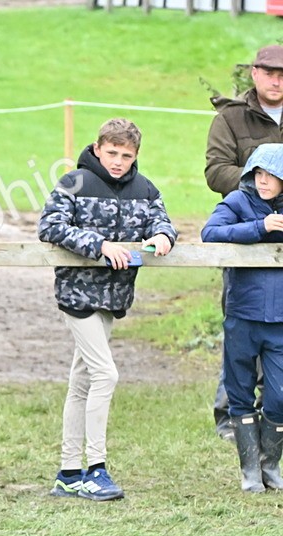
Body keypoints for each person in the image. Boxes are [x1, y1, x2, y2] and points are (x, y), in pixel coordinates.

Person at [38, 118, 176, 502]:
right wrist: (99, 245)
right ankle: (95, 469)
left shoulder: (145, 189)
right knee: (105, 374)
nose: (118, 161)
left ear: (136, 156)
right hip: (77, 296)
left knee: (82, 382)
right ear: (98, 149)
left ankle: (68, 473)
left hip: (114, 299)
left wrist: (164, 235)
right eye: (111, 152)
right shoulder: (73, 183)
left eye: (126, 155)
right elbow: (50, 226)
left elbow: (162, 222)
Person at [206, 45, 283, 440]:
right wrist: (260, 179)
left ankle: (273, 416)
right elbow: (216, 171)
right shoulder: (231, 118)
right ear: (254, 73)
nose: (277, 81)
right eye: (269, 72)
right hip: (245, 235)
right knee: (241, 328)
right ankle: (231, 416)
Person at [200, 144, 283, 493]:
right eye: (258, 174)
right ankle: (250, 471)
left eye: (272, 175)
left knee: (279, 396)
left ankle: (270, 466)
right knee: (239, 391)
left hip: (280, 321)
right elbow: (210, 233)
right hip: (242, 315)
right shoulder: (237, 202)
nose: (263, 181)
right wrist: (259, 227)